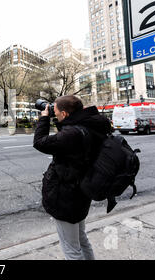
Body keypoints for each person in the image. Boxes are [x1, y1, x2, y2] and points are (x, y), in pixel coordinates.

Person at [33, 95, 112, 260]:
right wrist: (61, 120)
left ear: (65, 114)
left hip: (66, 197)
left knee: (71, 250)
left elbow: (40, 142)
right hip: (80, 193)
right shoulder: (88, 127)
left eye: (55, 112)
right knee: (82, 240)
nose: (53, 114)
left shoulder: (73, 134)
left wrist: (44, 118)